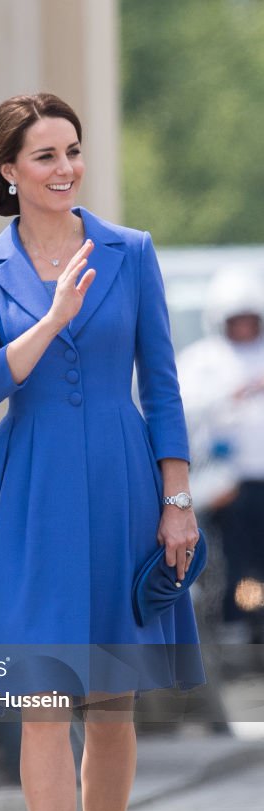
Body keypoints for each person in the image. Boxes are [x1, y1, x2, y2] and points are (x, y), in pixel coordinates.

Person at [0, 93, 202, 811]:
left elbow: (161, 381)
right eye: (44, 156)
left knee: (111, 704)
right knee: (41, 703)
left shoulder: (130, 252)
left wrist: (175, 497)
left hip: (123, 487)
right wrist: (52, 317)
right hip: (30, 492)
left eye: (71, 151)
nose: (63, 169)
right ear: (6, 172)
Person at [176, 266, 264, 641]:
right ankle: (243, 622)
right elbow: (184, 409)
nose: (243, 327)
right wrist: (232, 395)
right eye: (236, 319)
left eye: (249, 319)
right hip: (229, 481)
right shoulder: (203, 359)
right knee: (241, 558)